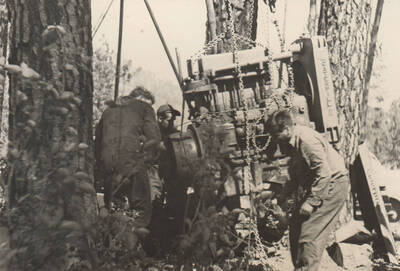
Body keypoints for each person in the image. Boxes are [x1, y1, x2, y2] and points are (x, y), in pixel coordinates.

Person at [265, 109, 350, 271]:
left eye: (276, 136)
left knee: (309, 235)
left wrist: (311, 202)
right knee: (296, 229)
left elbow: (324, 173)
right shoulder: (291, 143)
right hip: (317, 185)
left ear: (287, 130)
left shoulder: (307, 141)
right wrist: (282, 196)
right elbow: (296, 175)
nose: (274, 141)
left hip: (332, 184)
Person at [95, 86, 161, 228]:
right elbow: (154, 140)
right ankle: (135, 244)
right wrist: (147, 160)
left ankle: (115, 244)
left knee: (114, 209)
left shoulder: (107, 111)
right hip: (132, 163)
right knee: (142, 210)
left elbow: (98, 143)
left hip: (108, 166)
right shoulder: (144, 107)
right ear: (141, 99)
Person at [156, 104, 185, 228]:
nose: (173, 122)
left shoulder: (177, 135)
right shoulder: (153, 135)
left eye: (174, 119)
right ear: (160, 119)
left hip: (174, 176)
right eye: (169, 120)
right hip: (157, 174)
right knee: (155, 203)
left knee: (178, 201)